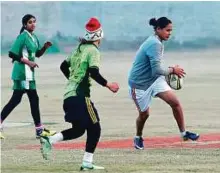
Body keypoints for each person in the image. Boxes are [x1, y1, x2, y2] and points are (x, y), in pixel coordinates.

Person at [40, 17, 119, 170]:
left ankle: (51, 139)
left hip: (69, 97)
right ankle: (87, 162)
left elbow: (63, 66)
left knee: (79, 130)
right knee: (95, 128)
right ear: (99, 36)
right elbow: (93, 72)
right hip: (80, 96)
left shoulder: (79, 48)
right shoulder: (93, 51)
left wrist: (72, 80)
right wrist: (108, 84)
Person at [128, 17, 200, 150]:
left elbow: (155, 69)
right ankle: (138, 137)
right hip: (139, 85)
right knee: (144, 115)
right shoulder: (155, 44)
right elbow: (157, 70)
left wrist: (169, 70)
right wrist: (173, 70)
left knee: (175, 103)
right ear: (158, 29)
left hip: (154, 80)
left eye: (171, 31)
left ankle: (184, 133)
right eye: (167, 30)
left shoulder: (157, 41)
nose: (169, 33)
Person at [0, 14, 56, 139]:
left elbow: (37, 54)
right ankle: (39, 130)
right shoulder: (23, 36)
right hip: (22, 73)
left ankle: (39, 130)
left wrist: (45, 48)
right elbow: (11, 54)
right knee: (28, 99)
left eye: (34, 22)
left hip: (29, 74)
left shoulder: (34, 37)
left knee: (23, 99)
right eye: (30, 22)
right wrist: (28, 62)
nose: (33, 24)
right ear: (25, 24)